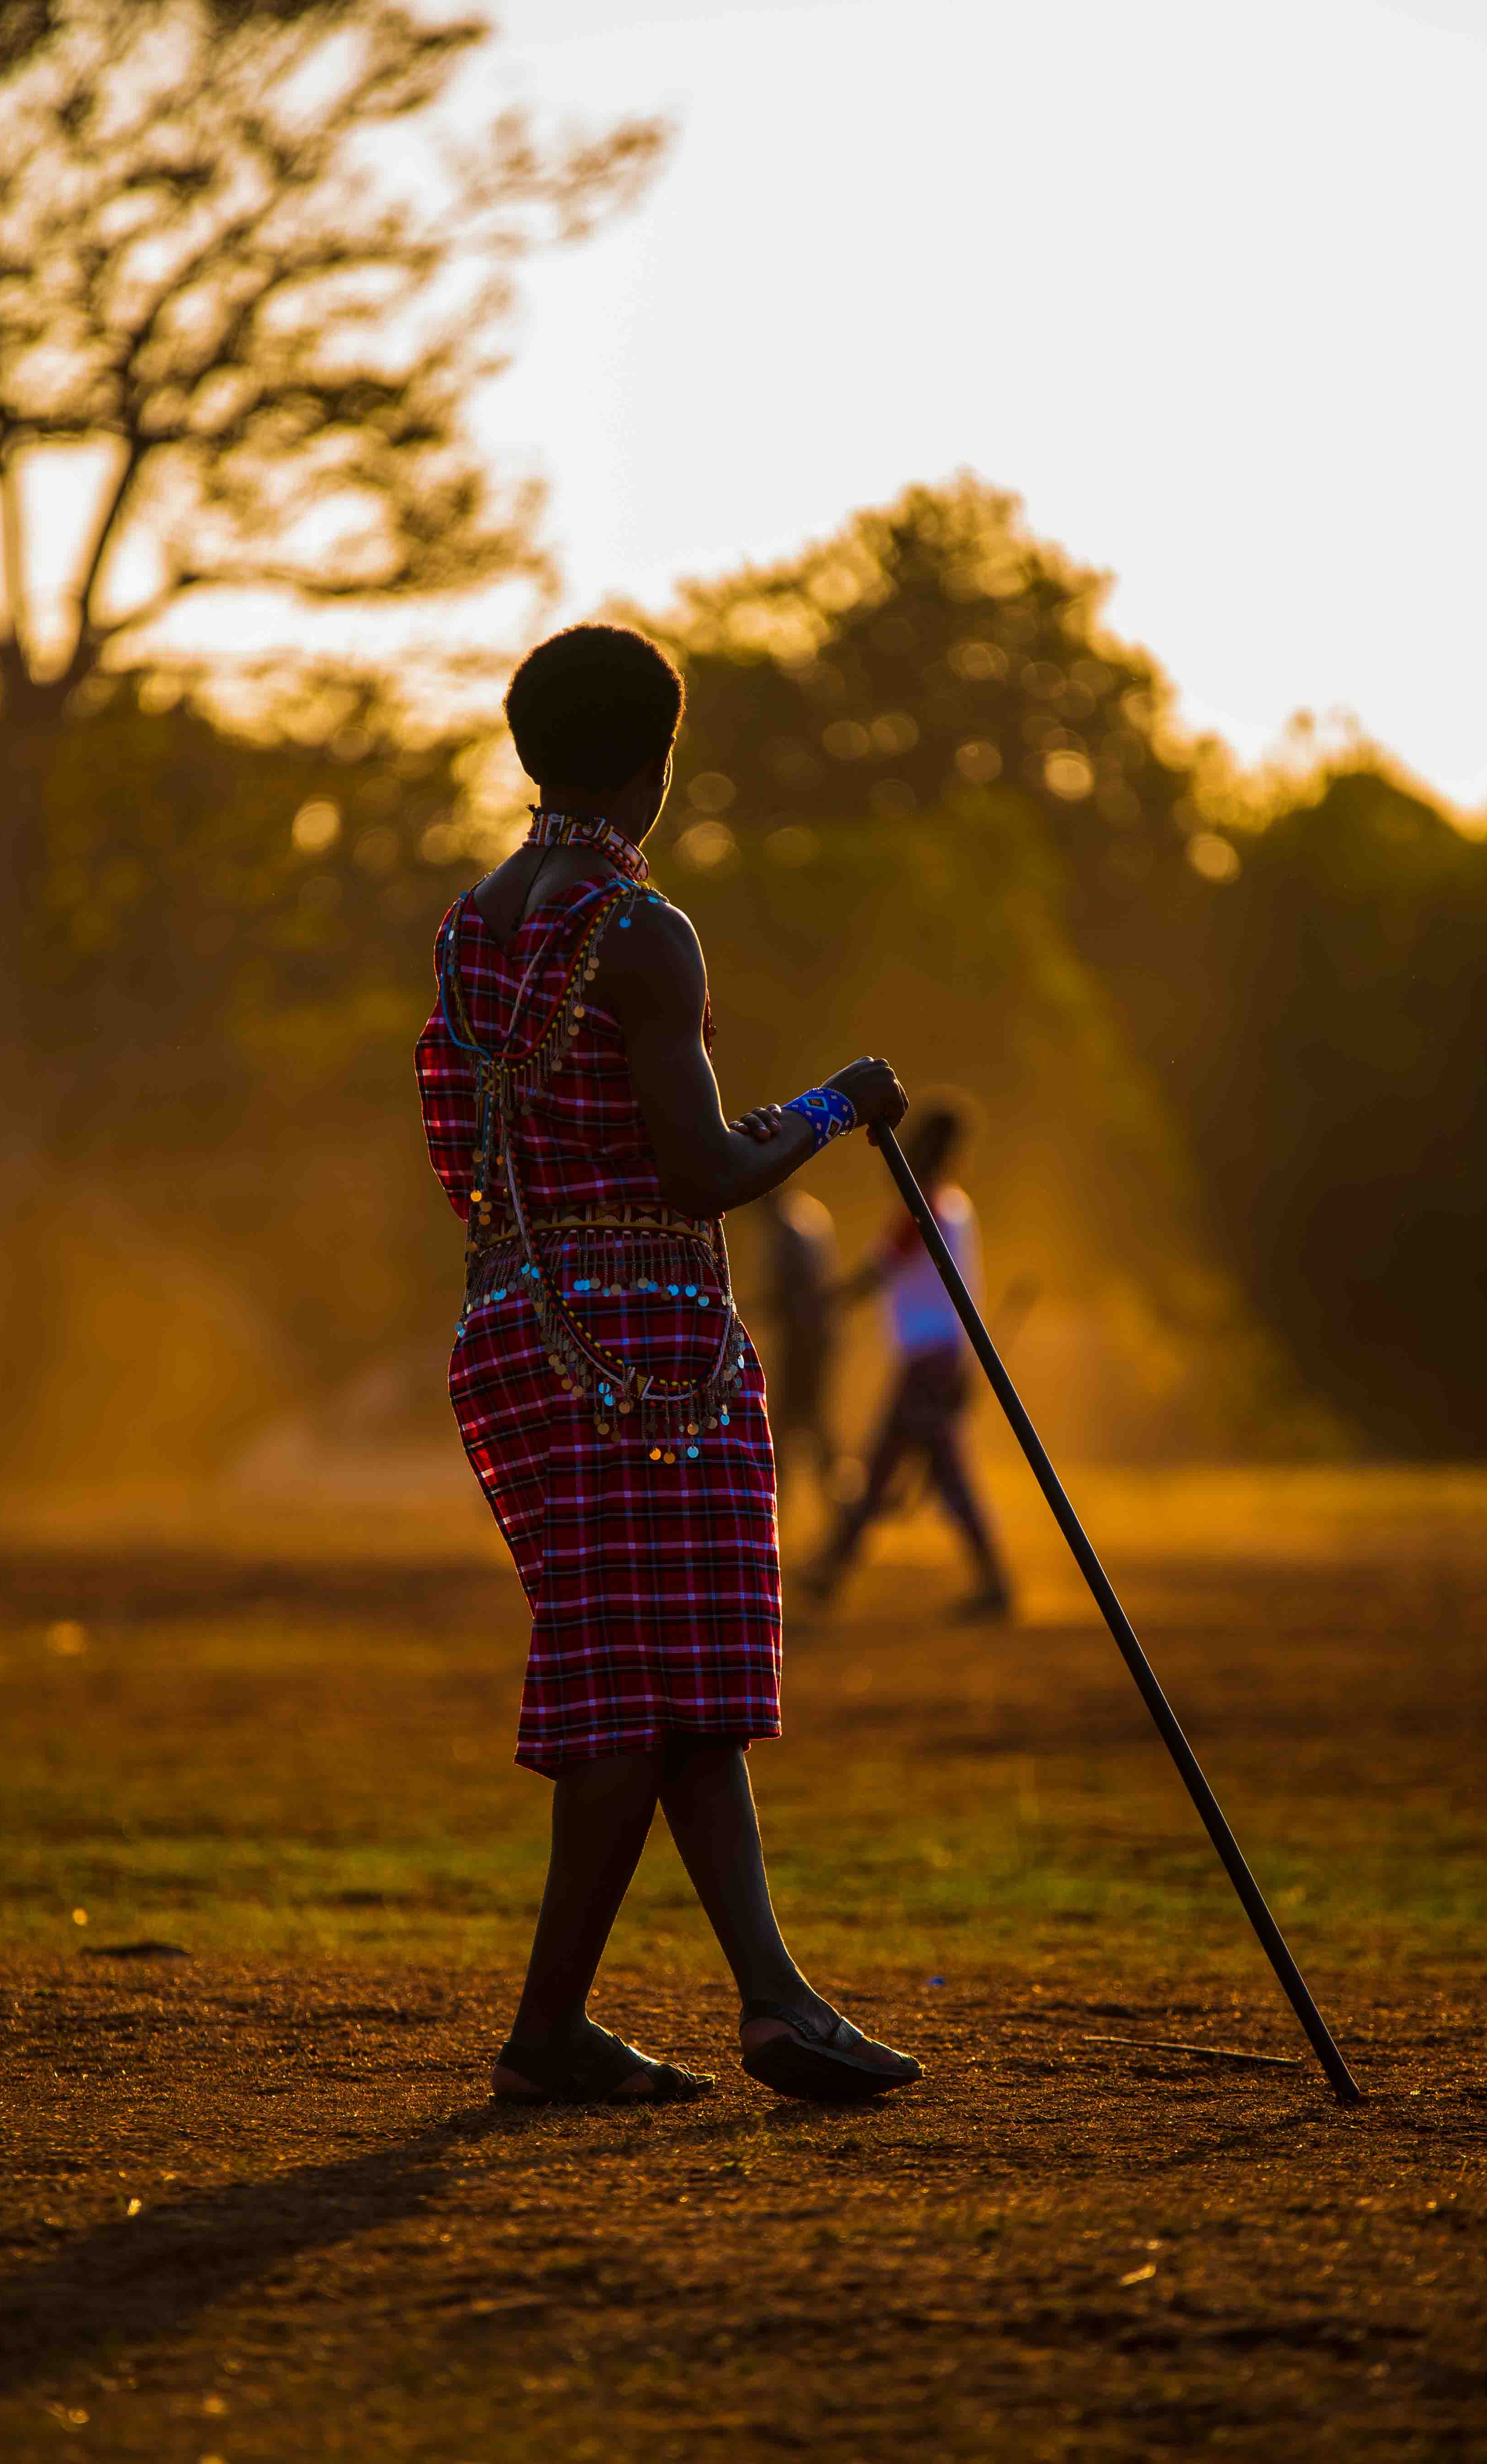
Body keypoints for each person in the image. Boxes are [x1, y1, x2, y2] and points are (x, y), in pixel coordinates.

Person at [414, 622, 920, 2106]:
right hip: (632, 1344)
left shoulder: (471, 928)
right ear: (654, 766)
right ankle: (548, 2030)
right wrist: (833, 1103)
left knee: (671, 1685)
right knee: (638, 1696)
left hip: (511, 1320)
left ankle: (770, 1997)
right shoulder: (638, 928)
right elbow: (697, 1169)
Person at [807, 1096, 1014, 1618]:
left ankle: (991, 1582)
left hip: (927, 1359)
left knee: (920, 1470)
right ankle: (833, 1567)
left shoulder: (924, 1205)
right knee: (895, 1468)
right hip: (941, 1355)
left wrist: (833, 1301)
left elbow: (884, 1264)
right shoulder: (953, 1206)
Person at [754, 1184, 842, 1506]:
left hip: (803, 1342)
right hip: (816, 1338)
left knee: (794, 1428)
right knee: (810, 1426)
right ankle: (843, 1505)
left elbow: (793, 1294)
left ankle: (778, 1506)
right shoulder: (810, 1214)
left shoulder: (788, 1227)